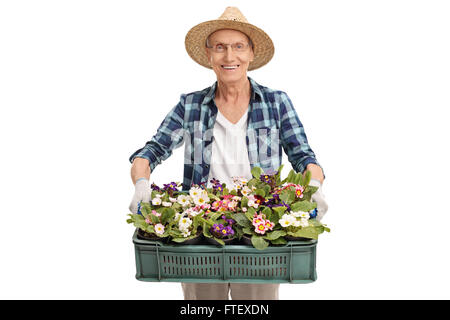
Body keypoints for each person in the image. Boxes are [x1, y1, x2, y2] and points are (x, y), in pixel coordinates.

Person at [128, 7, 328, 300]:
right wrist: (141, 184)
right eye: (220, 47)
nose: (229, 56)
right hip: (202, 227)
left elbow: (303, 156)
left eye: (238, 47)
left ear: (250, 53)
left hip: (260, 227)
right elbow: (152, 150)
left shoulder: (276, 103)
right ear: (209, 55)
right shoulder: (191, 106)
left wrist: (315, 187)